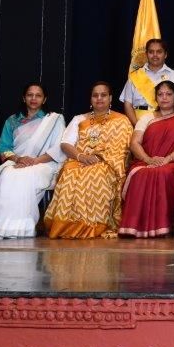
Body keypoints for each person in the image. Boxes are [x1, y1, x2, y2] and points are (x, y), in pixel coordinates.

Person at [43, 81, 133, 239]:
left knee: (96, 174)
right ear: (90, 99)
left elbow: (122, 150)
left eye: (103, 95)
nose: (99, 98)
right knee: (69, 172)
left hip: (106, 164)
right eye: (95, 95)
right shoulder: (79, 119)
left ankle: (93, 224)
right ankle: (66, 224)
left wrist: (100, 157)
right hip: (79, 160)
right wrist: (81, 157)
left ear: (110, 98)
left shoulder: (122, 121)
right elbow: (65, 144)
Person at [0, 82, 66, 239]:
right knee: (7, 175)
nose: (34, 98)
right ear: (24, 98)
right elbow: (3, 147)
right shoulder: (12, 121)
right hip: (17, 162)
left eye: (38, 95)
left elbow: (58, 149)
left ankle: (22, 228)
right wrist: (18, 158)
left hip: (45, 163)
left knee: (25, 176)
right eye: (30, 95)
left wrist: (34, 161)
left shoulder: (54, 119)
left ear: (44, 99)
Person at [117, 81, 174, 238]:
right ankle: (133, 226)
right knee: (140, 173)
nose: (164, 97)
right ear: (156, 98)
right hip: (146, 161)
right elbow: (135, 143)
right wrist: (148, 159)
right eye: (160, 94)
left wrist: (168, 158)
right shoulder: (146, 118)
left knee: (162, 173)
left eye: (169, 94)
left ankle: (161, 225)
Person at [120, 38, 174, 123]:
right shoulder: (135, 76)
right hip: (139, 120)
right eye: (151, 52)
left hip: (166, 121)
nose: (155, 55)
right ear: (146, 54)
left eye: (159, 52)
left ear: (165, 54)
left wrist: (169, 124)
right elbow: (128, 104)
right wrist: (137, 125)